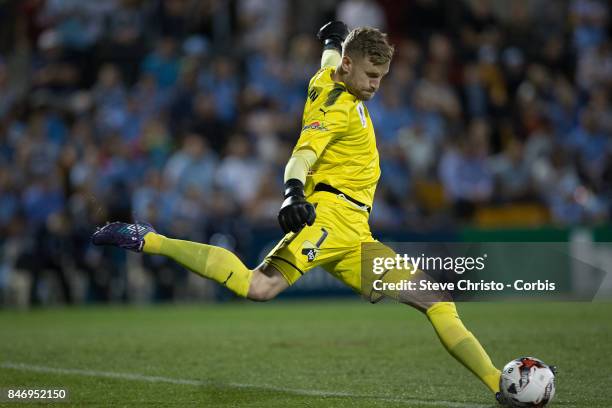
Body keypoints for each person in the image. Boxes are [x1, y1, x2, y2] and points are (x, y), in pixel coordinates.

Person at [92, 22, 503, 403]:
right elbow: (300, 158)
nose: (376, 86)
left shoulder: (327, 75)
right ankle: (149, 238)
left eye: (382, 78)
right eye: (371, 76)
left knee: (436, 300)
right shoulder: (334, 109)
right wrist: (292, 194)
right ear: (349, 65)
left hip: (356, 233)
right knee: (258, 287)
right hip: (328, 217)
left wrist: (331, 39)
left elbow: (327, 59)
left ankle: (499, 383)